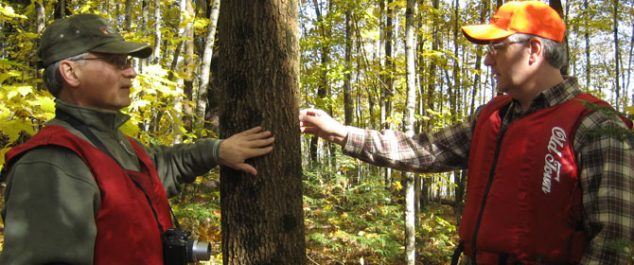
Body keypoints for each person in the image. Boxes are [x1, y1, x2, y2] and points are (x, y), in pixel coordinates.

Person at [299, 1, 633, 264]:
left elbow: (615, 243)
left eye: (497, 48)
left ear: (533, 50)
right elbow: (424, 150)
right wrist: (340, 133)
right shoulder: (493, 116)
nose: (488, 61)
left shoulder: (596, 125)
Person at [0, 14, 275, 264]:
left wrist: (218, 150)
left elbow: (161, 168)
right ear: (71, 72)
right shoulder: (51, 164)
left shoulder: (118, 144)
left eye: (128, 62)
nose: (130, 71)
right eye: (115, 61)